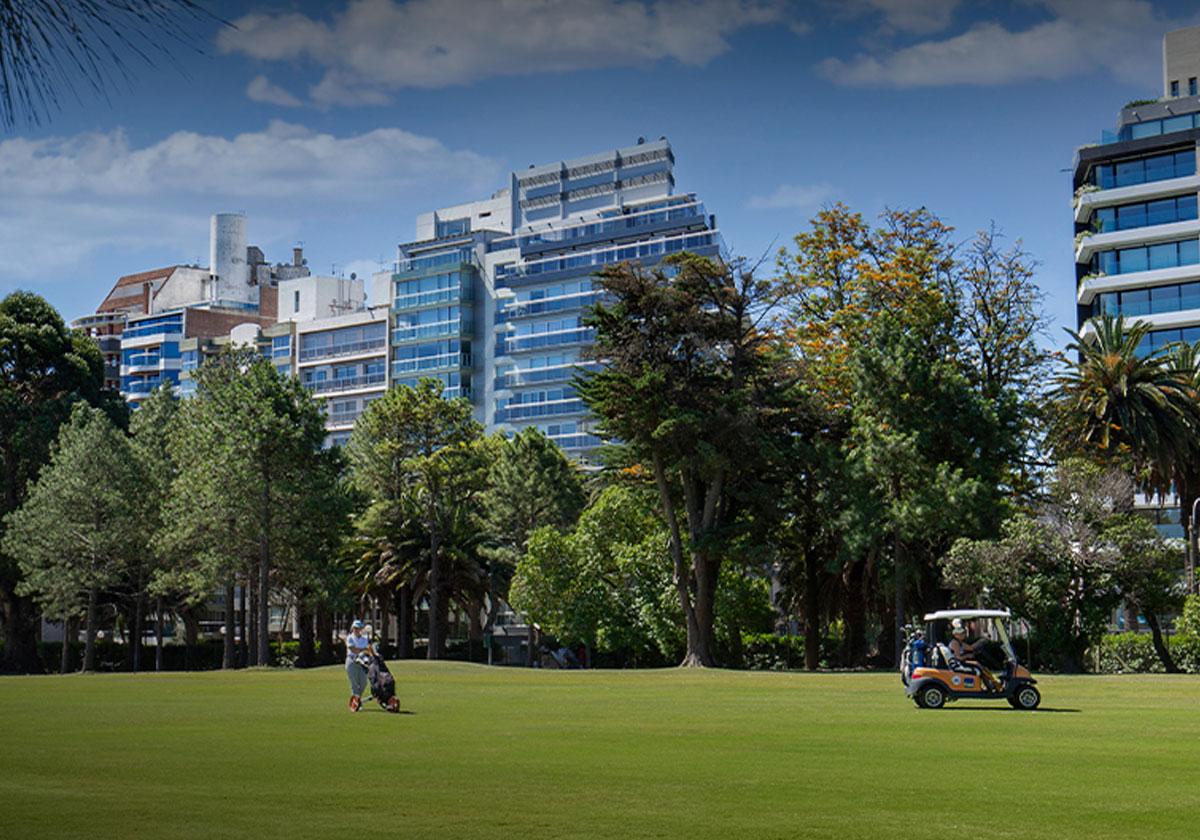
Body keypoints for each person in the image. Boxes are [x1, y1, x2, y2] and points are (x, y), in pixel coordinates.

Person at [345, 619, 374, 712]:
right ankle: (356, 703)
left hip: (362, 662)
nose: (356, 630)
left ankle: (357, 701)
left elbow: (368, 650)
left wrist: (367, 650)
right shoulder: (350, 637)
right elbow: (353, 649)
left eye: (358, 628)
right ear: (352, 628)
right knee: (354, 684)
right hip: (352, 661)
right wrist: (363, 650)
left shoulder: (365, 638)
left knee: (363, 682)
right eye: (355, 628)